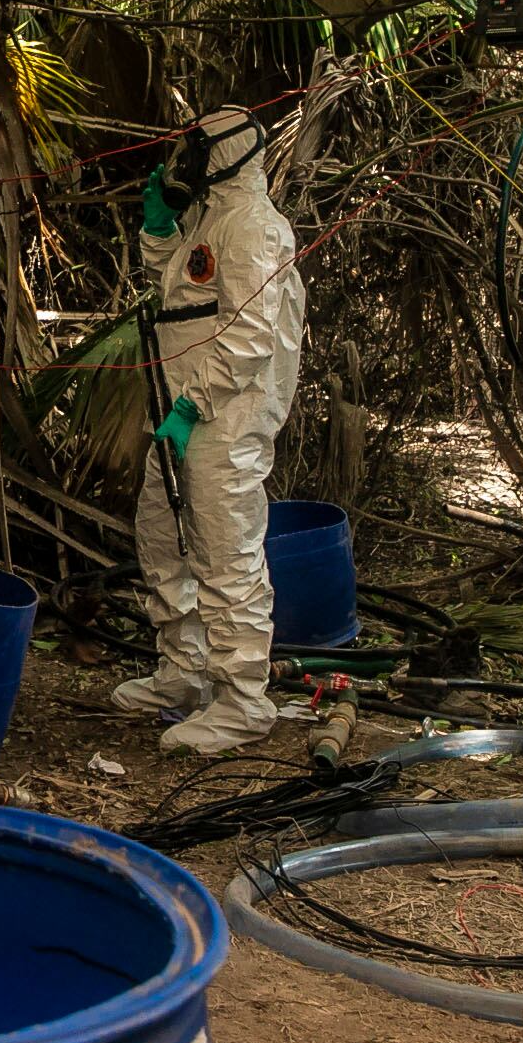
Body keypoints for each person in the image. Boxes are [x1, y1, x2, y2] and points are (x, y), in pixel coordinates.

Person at [108, 106, 307, 755]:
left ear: (222, 152)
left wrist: (192, 405)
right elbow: (171, 280)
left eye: (190, 151)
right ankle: (184, 670)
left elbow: (250, 335)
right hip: (181, 406)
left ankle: (242, 697)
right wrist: (158, 217)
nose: (180, 162)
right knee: (161, 534)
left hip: (225, 413)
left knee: (226, 550)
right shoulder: (209, 215)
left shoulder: (254, 224)